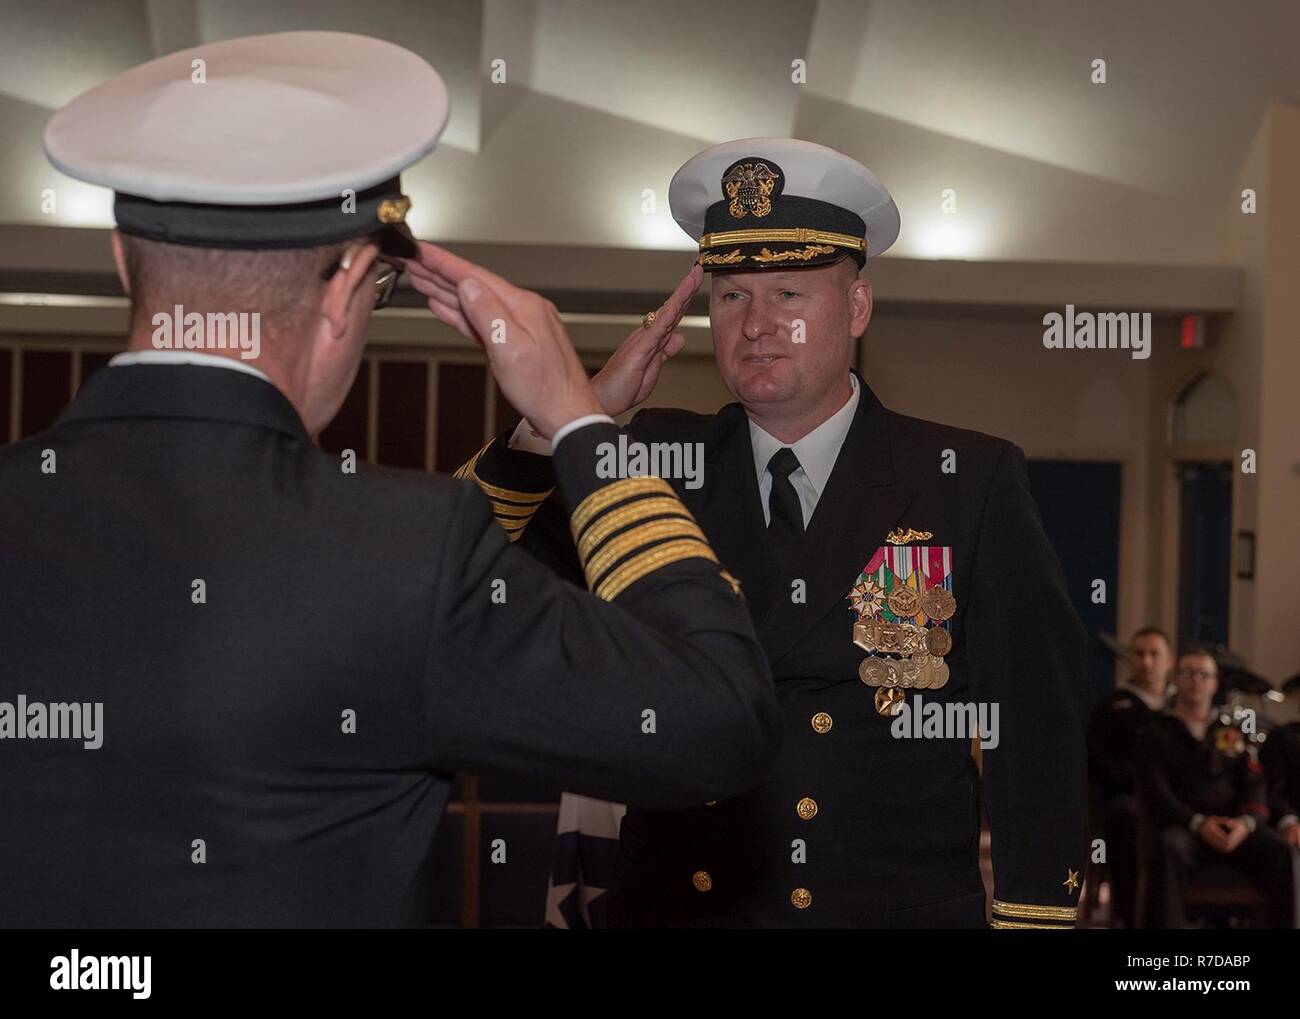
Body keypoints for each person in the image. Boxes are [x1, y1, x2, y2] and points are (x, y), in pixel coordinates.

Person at [0, 31, 780, 927]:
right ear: (347, 289)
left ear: (122, 260)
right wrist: (580, 424)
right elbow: (718, 718)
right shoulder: (406, 551)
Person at [410, 138, 1091, 928]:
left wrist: (1032, 913)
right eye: (732, 297)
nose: (758, 325)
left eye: (790, 294)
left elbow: (1034, 728)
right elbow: (462, 567)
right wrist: (573, 412)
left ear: (857, 308)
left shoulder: (964, 478)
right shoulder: (651, 458)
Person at [1137, 649, 1296, 928]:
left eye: (1203, 674)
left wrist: (1246, 824)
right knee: (1167, 847)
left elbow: (1255, 785)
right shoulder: (1156, 731)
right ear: (1176, 679)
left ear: (1214, 683)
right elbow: (1155, 791)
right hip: (1185, 828)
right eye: (1187, 673)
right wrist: (1197, 823)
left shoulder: (1232, 731)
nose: (1196, 680)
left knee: (1283, 853)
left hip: (1234, 830)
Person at [1086, 626, 1173, 925]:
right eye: (1139, 654)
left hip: (1181, 801)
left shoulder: (1183, 707)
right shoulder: (1111, 707)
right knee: (1125, 817)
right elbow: (1096, 764)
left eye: (1154, 654)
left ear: (1169, 660)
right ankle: (1130, 915)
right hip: (1129, 800)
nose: (1147, 662)